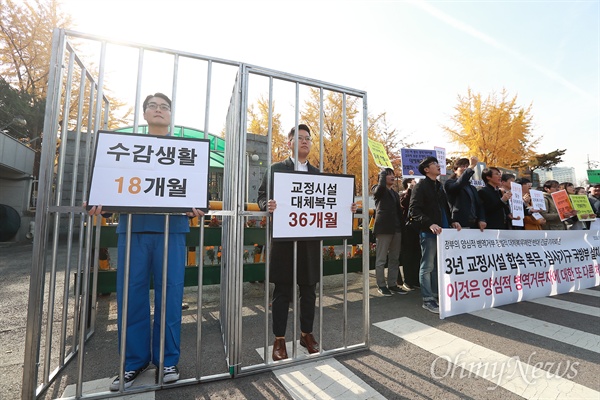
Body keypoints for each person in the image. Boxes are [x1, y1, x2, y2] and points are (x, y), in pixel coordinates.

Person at [89, 93, 204, 390]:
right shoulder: (126, 149)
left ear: (171, 115)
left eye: (165, 107)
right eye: (153, 106)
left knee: (171, 298)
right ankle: (133, 362)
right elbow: (112, 185)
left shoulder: (184, 150)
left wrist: (196, 206)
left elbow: (193, 191)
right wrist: (102, 203)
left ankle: (167, 360)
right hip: (134, 229)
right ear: (144, 114)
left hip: (172, 231)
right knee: (131, 297)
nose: (159, 110)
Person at [257, 123, 357, 361]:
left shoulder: (317, 174)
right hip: (284, 239)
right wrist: (266, 205)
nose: (305, 141)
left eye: (308, 139)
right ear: (289, 143)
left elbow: (331, 201)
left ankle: (306, 334)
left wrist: (347, 207)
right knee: (282, 289)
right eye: (300, 138)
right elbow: (262, 196)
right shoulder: (275, 169)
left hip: (310, 240)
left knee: (309, 289)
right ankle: (279, 339)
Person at [409, 156, 461, 314]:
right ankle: (427, 299)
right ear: (426, 170)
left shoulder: (439, 186)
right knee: (428, 266)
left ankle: (437, 295)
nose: (439, 166)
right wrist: (429, 223)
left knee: (439, 265)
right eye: (434, 164)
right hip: (429, 232)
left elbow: (445, 208)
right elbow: (414, 210)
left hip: (443, 232)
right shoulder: (421, 186)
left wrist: (452, 221)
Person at [372, 168, 408, 296]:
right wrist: (382, 173)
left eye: (393, 174)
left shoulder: (394, 193)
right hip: (384, 229)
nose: (392, 177)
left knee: (394, 258)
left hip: (396, 229)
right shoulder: (377, 189)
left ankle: (392, 284)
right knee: (381, 259)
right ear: (382, 177)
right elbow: (379, 190)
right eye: (388, 175)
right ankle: (381, 285)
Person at [444, 156, 486, 231]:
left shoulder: (472, 188)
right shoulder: (449, 183)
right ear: (455, 170)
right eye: (462, 166)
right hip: (458, 223)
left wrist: (481, 219)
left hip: (474, 224)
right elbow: (458, 184)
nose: (466, 168)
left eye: (467, 166)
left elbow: (479, 205)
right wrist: (471, 167)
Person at [399, 177, 420, 290]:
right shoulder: (403, 195)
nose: (414, 183)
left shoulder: (418, 194)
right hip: (407, 229)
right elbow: (404, 203)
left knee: (417, 255)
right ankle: (408, 281)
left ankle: (416, 280)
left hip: (417, 228)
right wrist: (409, 190)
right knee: (408, 255)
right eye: (411, 182)